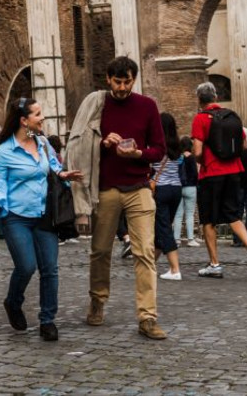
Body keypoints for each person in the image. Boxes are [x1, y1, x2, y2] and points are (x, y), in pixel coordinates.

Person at [65, 56, 168, 340]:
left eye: (127, 82)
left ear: (134, 80)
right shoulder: (97, 105)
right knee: (100, 250)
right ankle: (97, 300)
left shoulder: (147, 106)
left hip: (139, 187)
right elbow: (80, 143)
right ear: (108, 80)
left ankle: (147, 317)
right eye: (118, 81)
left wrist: (138, 154)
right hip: (106, 189)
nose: (122, 87)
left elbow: (159, 150)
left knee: (144, 252)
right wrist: (102, 143)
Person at [0, 97, 83, 341]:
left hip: (44, 215)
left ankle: (47, 320)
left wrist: (62, 174)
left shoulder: (43, 143)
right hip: (16, 218)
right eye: (37, 114)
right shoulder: (4, 152)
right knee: (27, 266)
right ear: (23, 120)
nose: (42, 117)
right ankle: (13, 301)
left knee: (50, 269)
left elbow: (52, 166)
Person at [190, 82, 247, 279]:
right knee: (233, 215)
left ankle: (215, 265)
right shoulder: (232, 116)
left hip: (211, 174)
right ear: (215, 97)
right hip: (233, 172)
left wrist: (202, 160)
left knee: (208, 220)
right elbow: (243, 145)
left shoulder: (200, 118)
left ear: (199, 100)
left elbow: (197, 151)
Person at [152, 113, 184, 281]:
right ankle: (149, 265)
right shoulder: (177, 146)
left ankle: (174, 269)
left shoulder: (156, 145)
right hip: (176, 189)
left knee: (164, 228)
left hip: (161, 189)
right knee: (162, 227)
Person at [172, 137, 200, 247]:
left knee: (178, 215)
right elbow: (195, 174)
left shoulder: (177, 157)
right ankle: (190, 239)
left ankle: (176, 239)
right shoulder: (192, 158)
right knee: (189, 214)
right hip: (191, 188)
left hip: (179, 187)